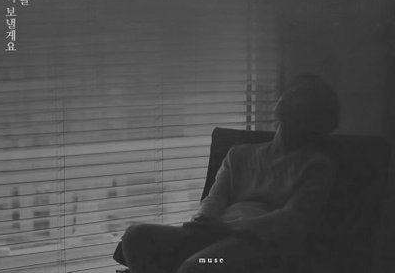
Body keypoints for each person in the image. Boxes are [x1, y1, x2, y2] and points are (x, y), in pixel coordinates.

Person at [113, 74, 340, 273]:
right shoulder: (239, 154)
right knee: (135, 235)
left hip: (260, 244)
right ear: (281, 106)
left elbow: (291, 220)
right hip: (214, 231)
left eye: (306, 107)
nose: (294, 107)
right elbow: (216, 197)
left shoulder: (317, 166)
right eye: (293, 99)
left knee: (199, 266)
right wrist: (202, 223)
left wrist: (229, 228)